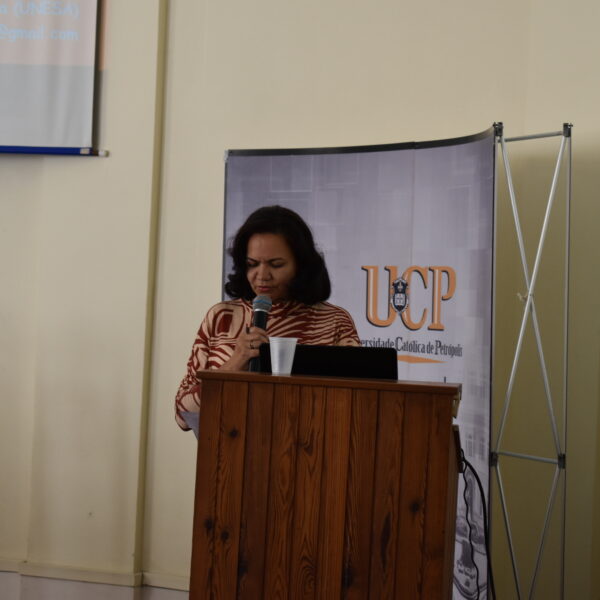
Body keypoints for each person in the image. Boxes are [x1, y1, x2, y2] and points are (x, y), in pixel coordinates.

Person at [175, 205, 360, 430]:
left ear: (301, 265)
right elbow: (182, 416)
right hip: (227, 449)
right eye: (252, 264)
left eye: (276, 264)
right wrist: (234, 364)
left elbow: (356, 407)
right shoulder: (221, 318)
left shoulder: (334, 322)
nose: (262, 276)